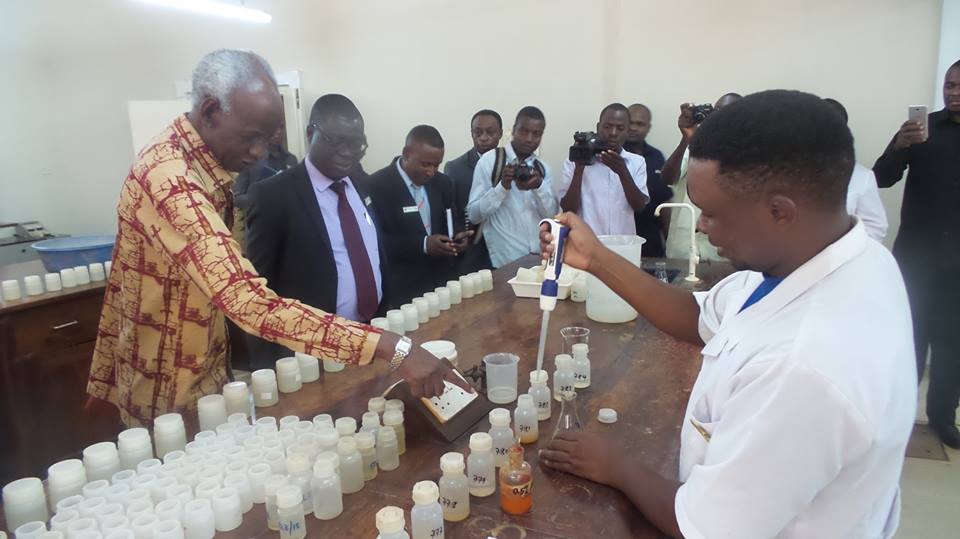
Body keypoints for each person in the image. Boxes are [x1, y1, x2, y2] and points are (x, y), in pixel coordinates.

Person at [540, 90, 916, 538]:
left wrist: (616, 465)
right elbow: (696, 315)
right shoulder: (840, 256)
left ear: (779, 211)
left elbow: (707, 528)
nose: (700, 226)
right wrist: (597, 258)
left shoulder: (804, 368)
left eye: (712, 214)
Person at [86, 50, 468, 427]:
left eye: (267, 140)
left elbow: (126, 280)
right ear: (209, 112)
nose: (258, 153)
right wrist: (393, 347)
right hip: (166, 389)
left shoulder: (210, 166)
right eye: (250, 138)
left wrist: (102, 376)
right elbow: (248, 299)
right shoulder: (170, 179)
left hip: (209, 373)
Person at [244, 94, 386, 368]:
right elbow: (258, 295)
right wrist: (268, 368)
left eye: (356, 143)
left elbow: (373, 251)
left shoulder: (360, 183)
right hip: (310, 353)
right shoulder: (273, 195)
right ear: (311, 133)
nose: (348, 151)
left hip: (371, 337)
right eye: (337, 140)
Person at [874, 59, 960, 448]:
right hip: (917, 256)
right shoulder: (920, 130)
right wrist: (899, 146)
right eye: (949, 85)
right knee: (908, 339)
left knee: (952, 344)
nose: (952, 92)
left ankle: (943, 418)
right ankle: (898, 419)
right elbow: (880, 177)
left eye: (959, 86)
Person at [368, 125, 473, 308]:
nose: (431, 172)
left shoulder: (443, 183)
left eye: (437, 164)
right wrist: (423, 245)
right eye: (426, 164)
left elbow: (451, 220)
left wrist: (458, 237)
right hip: (402, 291)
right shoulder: (376, 186)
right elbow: (375, 242)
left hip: (442, 286)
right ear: (407, 154)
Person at [467, 106, 558, 268]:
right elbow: (474, 215)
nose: (529, 139)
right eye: (524, 131)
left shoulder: (543, 169)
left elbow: (552, 217)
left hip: (538, 260)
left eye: (536, 134)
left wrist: (539, 186)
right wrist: (502, 187)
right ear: (513, 130)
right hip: (503, 262)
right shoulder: (490, 162)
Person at [660, 93, 741, 261]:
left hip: (720, 253)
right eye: (716, 111)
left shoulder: (748, 153)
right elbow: (667, 178)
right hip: (682, 248)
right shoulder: (694, 145)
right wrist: (686, 140)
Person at [558, 103, 649, 236]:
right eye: (607, 127)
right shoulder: (573, 162)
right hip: (587, 245)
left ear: (628, 131)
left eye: (620, 128)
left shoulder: (637, 162)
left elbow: (639, 206)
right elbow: (568, 209)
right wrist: (579, 168)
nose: (613, 133)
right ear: (598, 127)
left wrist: (622, 172)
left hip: (622, 245)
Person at [444, 109, 503, 273]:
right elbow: (450, 209)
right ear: (472, 134)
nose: (484, 137)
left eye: (490, 132)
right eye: (478, 132)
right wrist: (458, 234)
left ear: (500, 134)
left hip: (504, 249)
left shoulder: (510, 165)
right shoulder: (455, 168)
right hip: (471, 249)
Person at [822, 98, 888, 242]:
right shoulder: (789, 172)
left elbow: (876, 227)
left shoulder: (862, 177)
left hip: (842, 260)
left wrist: (847, 251)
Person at [624, 103, 673, 257]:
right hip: (620, 239)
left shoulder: (657, 157)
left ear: (648, 128)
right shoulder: (610, 156)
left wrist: (668, 240)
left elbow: (664, 202)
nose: (633, 128)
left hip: (651, 240)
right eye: (630, 122)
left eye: (639, 124)